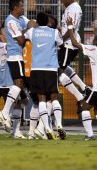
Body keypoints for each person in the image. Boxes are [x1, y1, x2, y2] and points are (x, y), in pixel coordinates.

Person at [24, 11, 64, 140]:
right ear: (47, 21)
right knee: (54, 98)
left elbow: (23, 36)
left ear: (37, 22)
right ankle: (58, 124)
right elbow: (60, 43)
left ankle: (46, 128)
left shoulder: (32, 32)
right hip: (51, 68)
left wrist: (31, 26)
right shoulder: (54, 32)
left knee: (41, 99)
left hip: (36, 69)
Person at [0, 0, 32, 132]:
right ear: (15, 8)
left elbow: (32, 23)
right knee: (18, 85)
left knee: (21, 89)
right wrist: (28, 32)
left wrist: (34, 26)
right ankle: (5, 113)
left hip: (20, 58)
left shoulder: (21, 19)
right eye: (21, 6)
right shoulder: (11, 21)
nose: (23, 8)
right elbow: (21, 41)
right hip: (14, 57)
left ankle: (9, 119)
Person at [59, 0, 88, 114]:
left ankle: (80, 96)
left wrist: (59, 39)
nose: (61, 1)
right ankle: (84, 88)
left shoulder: (74, 8)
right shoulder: (70, 8)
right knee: (62, 68)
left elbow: (71, 30)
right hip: (67, 43)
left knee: (58, 71)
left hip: (69, 44)